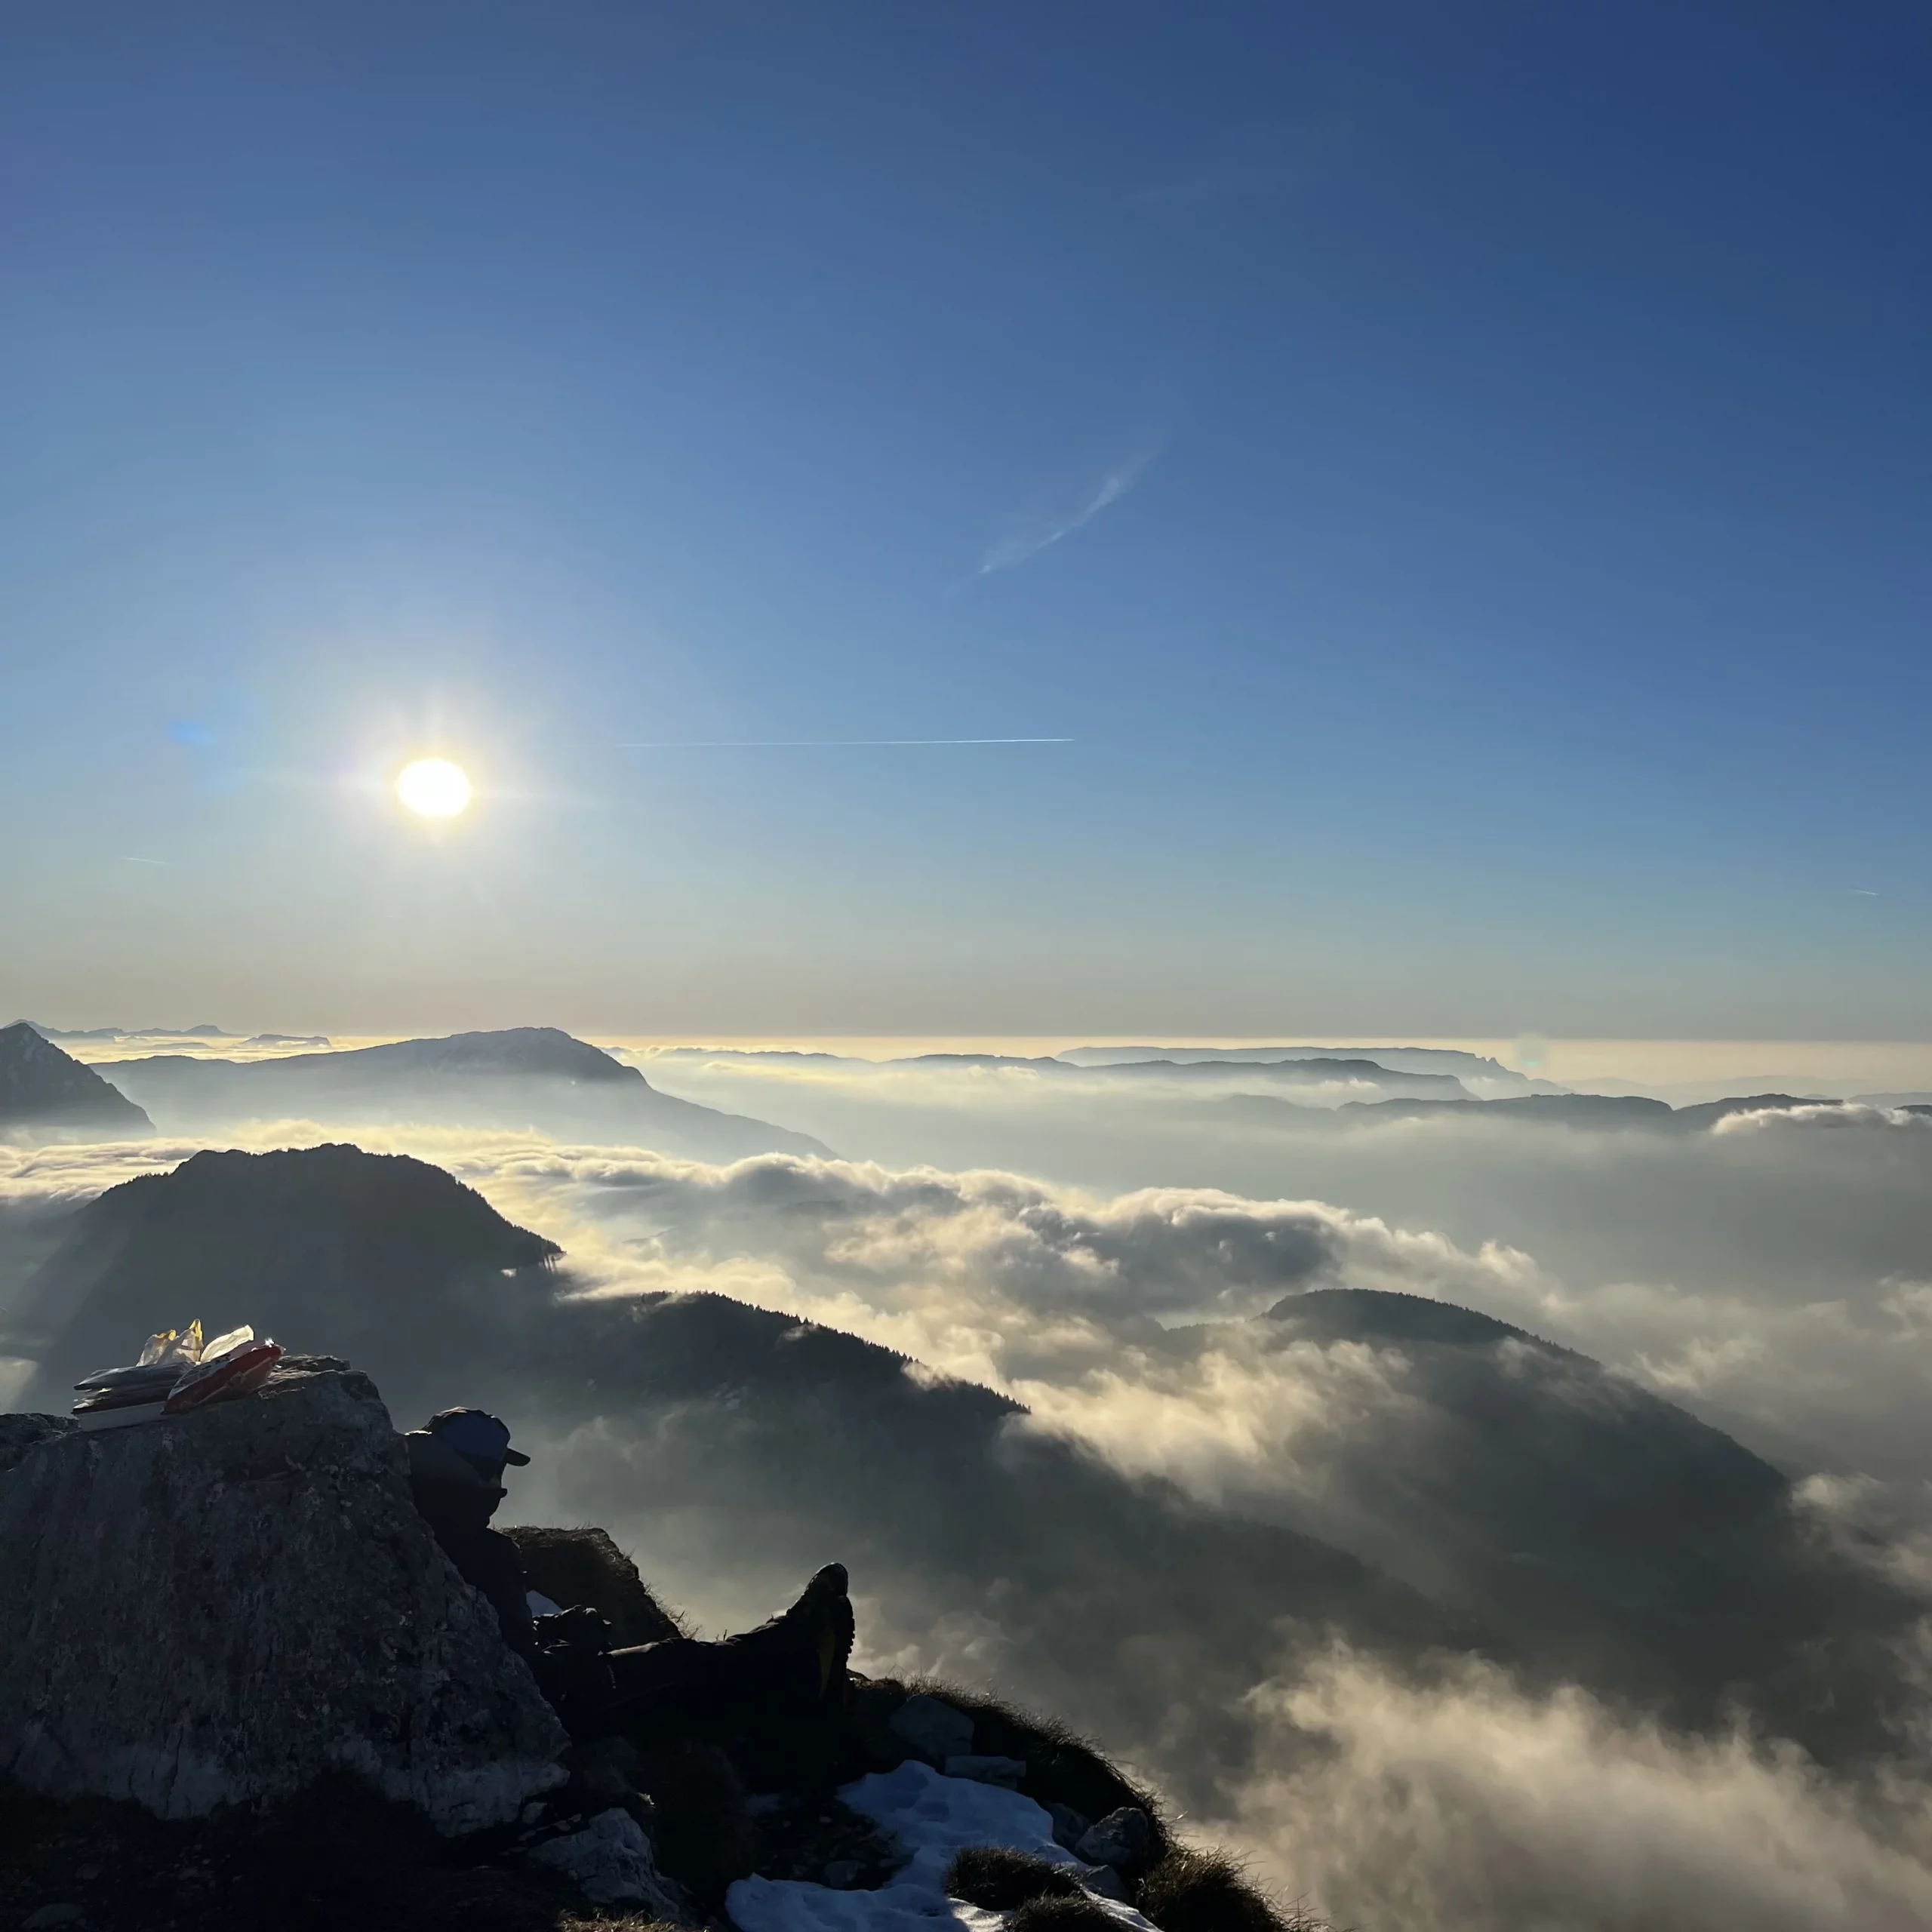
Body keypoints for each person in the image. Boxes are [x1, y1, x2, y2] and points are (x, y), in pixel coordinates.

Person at [405, 1407, 854, 1743]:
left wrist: (549, 1628)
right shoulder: (482, 1548)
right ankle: (796, 1657)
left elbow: (479, 1634)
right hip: (538, 1716)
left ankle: (790, 1656)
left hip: (464, 1709)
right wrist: (575, 1649)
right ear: (481, 1471)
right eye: (500, 1469)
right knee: (679, 1663)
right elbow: (525, 1680)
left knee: (674, 1666)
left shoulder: (409, 1517)